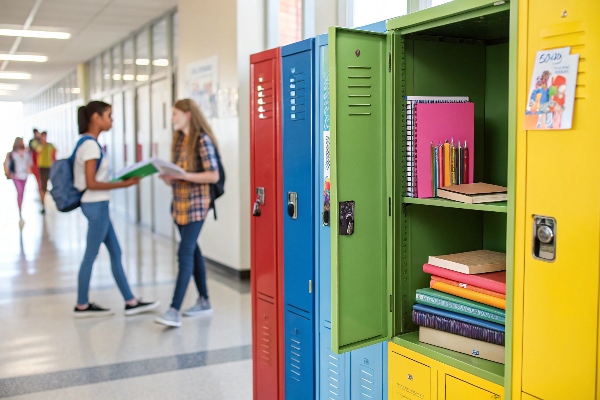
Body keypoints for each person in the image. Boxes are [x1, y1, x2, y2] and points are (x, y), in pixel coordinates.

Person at [73, 101, 160, 318]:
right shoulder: (90, 145)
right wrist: (124, 183)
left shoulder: (86, 143)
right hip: (95, 205)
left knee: (116, 252)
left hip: (98, 205)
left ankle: (130, 301)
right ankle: (81, 305)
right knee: (90, 255)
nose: (111, 120)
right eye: (109, 115)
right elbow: (91, 183)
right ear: (96, 117)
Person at [155, 99, 220, 328]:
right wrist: (170, 178)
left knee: (184, 253)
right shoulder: (180, 141)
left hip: (197, 206)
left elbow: (213, 176)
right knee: (193, 252)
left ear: (188, 114)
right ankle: (204, 301)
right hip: (179, 205)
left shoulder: (202, 140)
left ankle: (174, 310)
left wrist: (183, 176)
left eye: (175, 114)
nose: (172, 118)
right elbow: (180, 174)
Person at [4, 137, 32, 223]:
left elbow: (29, 163)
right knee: (19, 192)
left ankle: (21, 206)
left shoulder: (26, 153)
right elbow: (7, 164)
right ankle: (20, 210)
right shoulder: (12, 154)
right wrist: (8, 173)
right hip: (16, 176)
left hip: (24, 175)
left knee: (22, 192)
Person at [37, 131, 56, 214]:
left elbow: (54, 152)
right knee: (43, 187)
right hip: (42, 167)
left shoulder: (50, 145)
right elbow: (37, 150)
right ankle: (43, 205)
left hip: (49, 167)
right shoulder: (39, 146)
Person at [28, 128, 42, 200]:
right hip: (35, 164)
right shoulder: (33, 142)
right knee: (39, 181)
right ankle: (40, 194)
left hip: (41, 164)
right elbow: (38, 149)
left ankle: (41, 193)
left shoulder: (39, 141)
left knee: (41, 181)